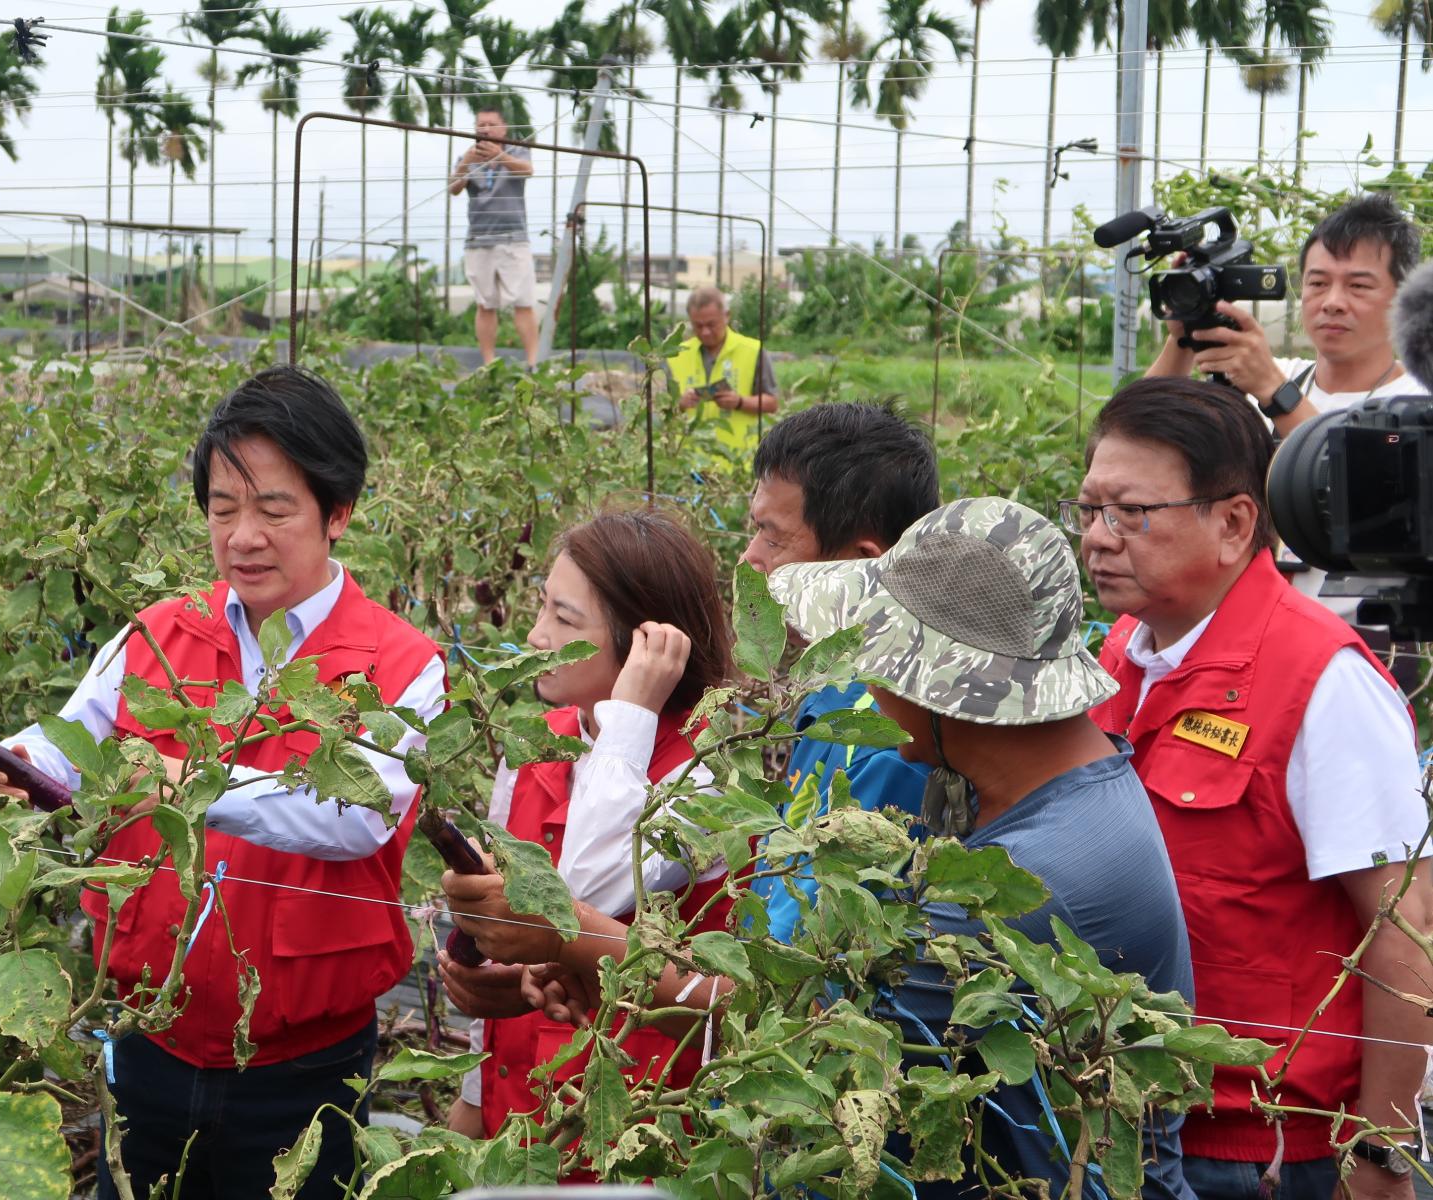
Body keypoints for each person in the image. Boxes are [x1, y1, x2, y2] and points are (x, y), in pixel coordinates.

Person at [445, 497, 1198, 1200]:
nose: (861, 679)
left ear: (940, 682)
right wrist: (598, 969)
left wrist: (571, 933)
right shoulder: (1033, 793)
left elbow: (793, 1033)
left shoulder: (1031, 877)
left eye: (874, 654)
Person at [0, 366, 448, 1199]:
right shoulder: (157, 635)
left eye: (272, 508)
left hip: (306, 1063)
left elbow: (355, 817)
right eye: (222, 509)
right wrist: (13, 768)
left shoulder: (402, 664)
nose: (242, 536)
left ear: (338, 513)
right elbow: (69, 745)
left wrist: (185, 778)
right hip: (149, 1037)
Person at [1072, 377, 1432, 1200]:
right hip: (1130, 1122)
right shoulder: (1126, 650)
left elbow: (1403, 927)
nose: (1097, 538)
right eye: (1088, 509)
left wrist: (1379, 1159)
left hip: (1264, 1150)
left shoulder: (1321, 681)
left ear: (1233, 522)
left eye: (1131, 513)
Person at [437, 506, 734, 1142]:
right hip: (516, 1108)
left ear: (644, 644)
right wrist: (472, 1093)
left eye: (564, 619)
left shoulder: (700, 781)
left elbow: (573, 901)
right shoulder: (536, 749)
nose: (537, 636)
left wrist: (629, 715)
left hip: (628, 1131)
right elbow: (517, 940)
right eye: (543, 608)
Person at [1145, 193, 1427, 620]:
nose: (1332, 301)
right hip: (1259, 634)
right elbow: (1141, 438)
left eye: (1358, 285)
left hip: (1370, 641)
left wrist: (1276, 394)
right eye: (1317, 283)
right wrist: (1183, 336)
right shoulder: (1273, 376)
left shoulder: (1417, 400)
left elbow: (1370, 493)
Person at [740, 401, 940, 942]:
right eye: (754, 530)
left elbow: (793, 959)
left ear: (859, 562)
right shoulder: (838, 686)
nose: (748, 559)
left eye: (773, 538)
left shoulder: (886, 738)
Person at [450, 106, 537, 368]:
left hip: (514, 237)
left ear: (503, 128)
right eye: (480, 125)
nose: (484, 129)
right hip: (478, 239)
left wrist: (500, 156)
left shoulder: (517, 150)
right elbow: (453, 188)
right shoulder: (467, 156)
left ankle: (534, 362)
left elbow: (526, 170)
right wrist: (467, 162)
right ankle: (489, 364)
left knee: (523, 301)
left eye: (490, 124)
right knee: (485, 304)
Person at [667, 285, 779, 449]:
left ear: (726, 316)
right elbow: (660, 407)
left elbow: (772, 403)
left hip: (738, 462)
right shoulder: (678, 354)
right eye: (698, 326)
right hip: (689, 462)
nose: (705, 332)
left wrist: (740, 402)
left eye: (711, 324)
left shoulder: (753, 351)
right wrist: (680, 403)